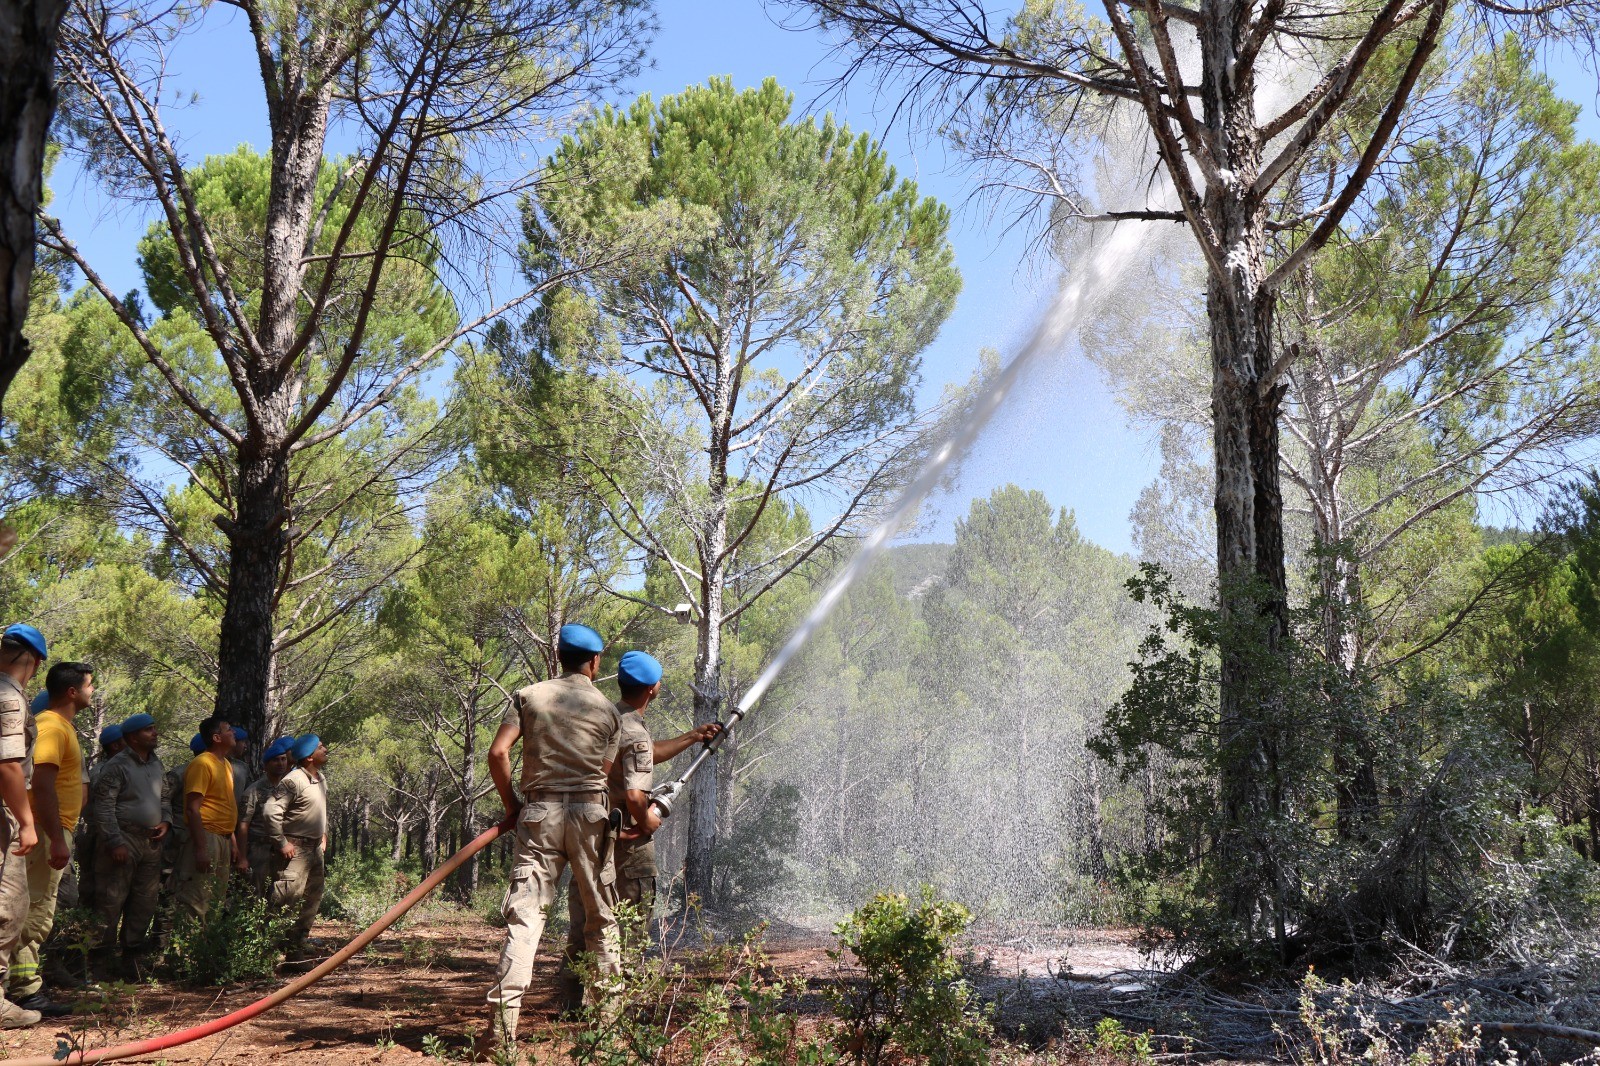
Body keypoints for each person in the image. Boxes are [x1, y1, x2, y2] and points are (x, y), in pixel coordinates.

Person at [486, 623, 621, 1047]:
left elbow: (498, 752)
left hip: (538, 814)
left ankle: (501, 1036)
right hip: (590, 816)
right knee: (601, 917)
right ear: (595, 662)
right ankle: (610, 1034)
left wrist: (512, 805)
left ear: (558, 657)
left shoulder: (528, 696)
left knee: (525, 919)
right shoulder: (608, 710)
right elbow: (602, 773)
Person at [566, 651, 721, 967]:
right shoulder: (634, 731)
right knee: (634, 921)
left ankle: (571, 1002)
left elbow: (644, 754)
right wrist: (647, 822)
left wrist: (693, 736)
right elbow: (636, 795)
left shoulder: (609, 719)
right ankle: (626, 999)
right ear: (653, 688)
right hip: (627, 839)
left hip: (591, 831)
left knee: (586, 916)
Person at [10, 662, 94, 1016]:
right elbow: (41, 785)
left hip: (54, 831)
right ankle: (24, 993)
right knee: (33, 913)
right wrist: (56, 838)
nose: (93, 691)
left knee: (39, 912)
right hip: (47, 832)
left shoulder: (63, 728)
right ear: (72, 692)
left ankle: (24, 988)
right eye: (90, 685)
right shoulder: (51, 726)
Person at [90, 713, 170, 975]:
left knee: (144, 901)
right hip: (124, 839)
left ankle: (132, 960)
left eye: (155, 728)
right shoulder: (118, 765)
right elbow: (103, 806)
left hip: (151, 843)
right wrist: (114, 842)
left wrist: (166, 821)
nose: (155, 733)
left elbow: (166, 797)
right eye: (149, 730)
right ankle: (99, 962)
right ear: (133, 737)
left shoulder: (156, 764)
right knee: (111, 901)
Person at [0, 624, 45, 1028]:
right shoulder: (9, 697)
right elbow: (9, 764)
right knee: (7, 907)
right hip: (3, 818)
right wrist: (27, 823)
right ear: (32, 661)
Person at [263, 734, 327, 958]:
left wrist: (323, 835)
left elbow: (318, 811)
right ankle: (269, 955)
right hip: (295, 851)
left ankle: (295, 949)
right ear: (309, 757)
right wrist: (281, 842)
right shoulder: (293, 780)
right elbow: (271, 812)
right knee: (285, 899)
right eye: (320, 747)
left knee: (311, 898)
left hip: (314, 850)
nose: (325, 749)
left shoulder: (320, 778)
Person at [173, 717, 237, 924]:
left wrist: (232, 841)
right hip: (207, 837)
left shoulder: (226, 764)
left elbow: (224, 805)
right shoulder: (202, 763)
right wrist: (200, 848)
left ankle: (205, 951)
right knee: (196, 898)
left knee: (216, 898)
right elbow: (192, 809)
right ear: (217, 737)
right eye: (228, 729)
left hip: (223, 839)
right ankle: (185, 954)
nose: (233, 732)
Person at [76, 722, 126, 914]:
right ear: (115, 746)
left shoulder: (112, 768)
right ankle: (86, 933)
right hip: (100, 836)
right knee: (97, 888)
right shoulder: (103, 771)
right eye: (125, 741)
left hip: (104, 835)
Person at [237, 737, 292, 896]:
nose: (281, 763)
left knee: (280, 894)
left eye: (283, 759)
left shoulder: (288, 786)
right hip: (259, 848)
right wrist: (242, 857)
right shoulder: (254, 791)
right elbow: (243, 825)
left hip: (282, 848)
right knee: (256, 892)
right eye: (276, 760)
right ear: (266, 765)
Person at [228, 727, 253, 811]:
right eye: (243, 742)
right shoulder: (211, 764)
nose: (245, 746)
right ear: (234, 742)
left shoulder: (243, 767)